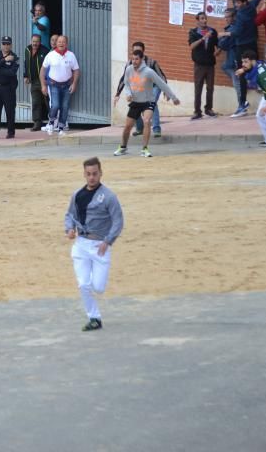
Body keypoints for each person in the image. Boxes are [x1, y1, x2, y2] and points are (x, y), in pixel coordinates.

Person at [64, 157, 123, 332]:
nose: (91, 177)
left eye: (95, 174)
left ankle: (94, 311)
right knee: (83, 284)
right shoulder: (77, 195)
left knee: (98, 287)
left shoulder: (109, 196)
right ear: (84, 174)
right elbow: (69, 215)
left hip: (99, 245)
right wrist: (69, 229)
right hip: (81, 244)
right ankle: (94, 317)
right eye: (88, 174)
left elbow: (118, 221)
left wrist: (108, 241)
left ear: (100, 173)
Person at [113, 47, 179, 158]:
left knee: (147, 121)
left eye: (136, 59)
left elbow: (161, 83)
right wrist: (128, 94)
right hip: (135, 102)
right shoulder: (129, 69)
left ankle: (144, 149)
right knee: (128, 126)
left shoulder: (149, 72)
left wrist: (173, 97)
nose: (134, 61)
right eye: (133, 59)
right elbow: (126, 83)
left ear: (142, 59)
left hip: (148, 101)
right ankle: (123, 147)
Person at [114, 42, 168, 138]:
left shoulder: (151, 62)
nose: (137, 52)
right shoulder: (130, 64)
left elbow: (161, 76)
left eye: (139, 50)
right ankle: (140, 128)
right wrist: (118, 93)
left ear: (143, 51)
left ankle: (156, 130)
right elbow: (124, 79)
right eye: (134, 50)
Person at [41, 35, 80, 133]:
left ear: (66, 44)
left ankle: (61, 127)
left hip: (67, 85)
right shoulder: (51, 55)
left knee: (65, 106)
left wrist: (74, 83)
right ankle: (51, 122)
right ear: (56, 44)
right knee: (55, 105)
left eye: (63, 42)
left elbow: (76, 70)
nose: (61, 44)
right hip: (54, 85)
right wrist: (43, 85)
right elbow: (42, 70)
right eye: (59, 42)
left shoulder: (71, 55)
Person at [187, 13, 219, 119]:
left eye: (205, 18)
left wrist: (217, 52)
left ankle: (208, 109)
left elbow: (218, 45)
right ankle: (197, 111)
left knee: (210, 88)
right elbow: (191, 46)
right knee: (198, 88)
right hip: (199, 65)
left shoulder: (212, 32)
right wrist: (203, 38)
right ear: (197, 21)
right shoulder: (193, 32)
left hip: (210, 64)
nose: (204, 20)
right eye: (202, 19)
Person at [23, 34, 49, 131]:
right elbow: (26, 63)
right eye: (33, 41)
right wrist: (26, 75)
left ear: (40, 42)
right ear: (31, 41)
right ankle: (37, 123)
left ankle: (52, 122)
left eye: (37, 41)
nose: (35, 43)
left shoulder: (45, 50)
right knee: (35, 102)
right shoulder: (27, 50)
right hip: (33, 80)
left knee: (48, 101)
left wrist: (46, 80)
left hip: (44, 80)